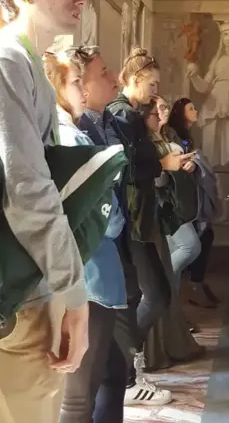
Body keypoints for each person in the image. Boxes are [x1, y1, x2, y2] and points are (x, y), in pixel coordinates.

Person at [0, 0, 89, 421]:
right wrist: (74, 293)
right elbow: (27, 188)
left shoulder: (27, 60)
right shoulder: (9, 60)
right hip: (18, 295)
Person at [69, 45, 172, 406]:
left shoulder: (108, 121)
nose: (112, 78)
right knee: (81, 393)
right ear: (78, 87)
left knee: (109, 372)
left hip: (117, 243)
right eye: (103, 74)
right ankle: (133, 371)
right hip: (96, 258)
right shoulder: (81, 130)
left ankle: (131, 371)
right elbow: (108, 189)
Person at [42, 49, 127, 423]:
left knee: (108, 373)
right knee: (77, 397)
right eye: (75, 82)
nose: (81, 89)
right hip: (88, 272)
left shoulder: (62, 133)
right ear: (56, 88)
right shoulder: (71, 139)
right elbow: (105, 218)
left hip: (84, 271)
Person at [139, 100, 204, 368]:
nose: (162, 113)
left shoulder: (168, 134)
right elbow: (153, 177)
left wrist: (189, 165)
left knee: (187, 253)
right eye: (158, 110)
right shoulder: (145, 138)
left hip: (171, 207)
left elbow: (181, 162)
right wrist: (168, 166)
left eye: (165, 108)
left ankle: (172, 307)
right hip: (159, 211)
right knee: (190, 247)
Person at [167, 98, 220, 308]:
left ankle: (195, 285)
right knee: (192, 245)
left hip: (187, 197)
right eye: (191, 108)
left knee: (205, 237)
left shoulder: (185, 135)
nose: (195, 111)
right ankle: (190, 287)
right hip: (176, 202)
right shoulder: (172, 135)